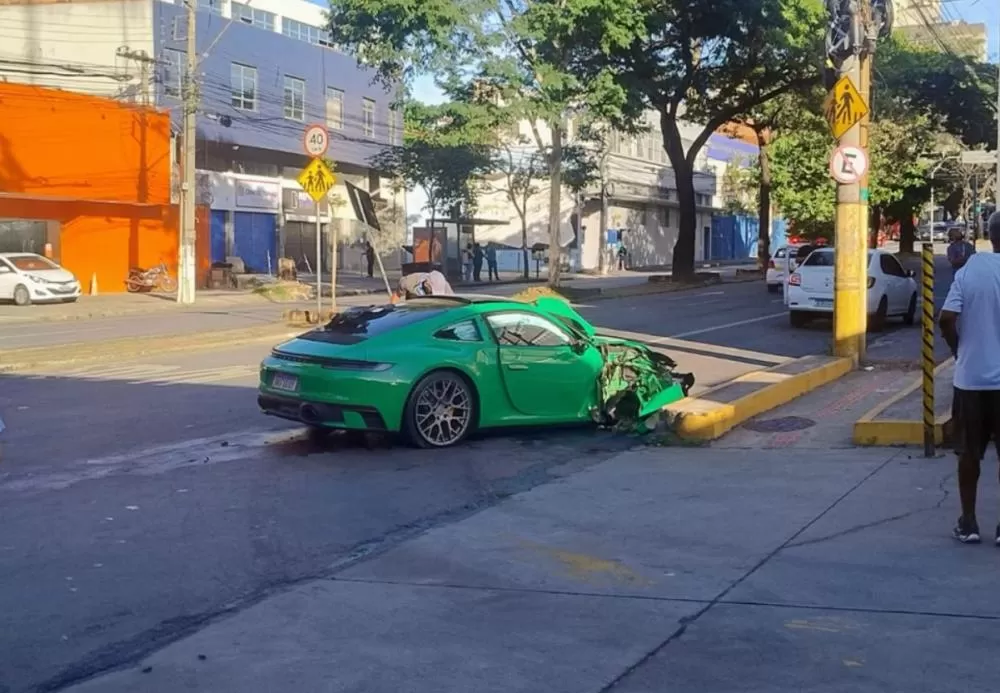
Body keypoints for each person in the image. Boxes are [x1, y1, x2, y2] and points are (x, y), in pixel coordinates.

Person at [939, 211, 1000, 545]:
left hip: (972, 380)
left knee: (969, 454)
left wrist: (959, 349)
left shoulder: (972, 269)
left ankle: (969, 522)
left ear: (990, 236)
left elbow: (947, 318)